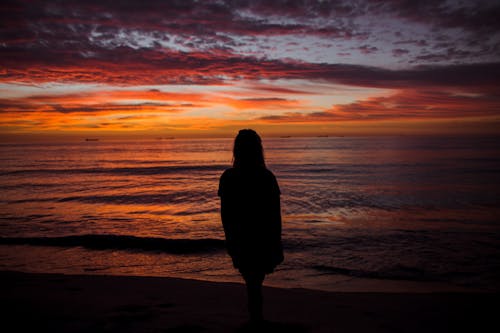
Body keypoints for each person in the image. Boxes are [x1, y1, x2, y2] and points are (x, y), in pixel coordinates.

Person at [218, 129, 284, 324]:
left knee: (252, 282)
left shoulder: (228, 177)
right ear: (258, 149)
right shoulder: (266, 177)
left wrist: (230, 239)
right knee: (254, 283)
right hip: (261, 238)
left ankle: (256, 318)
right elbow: (274, 215)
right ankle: (256, 319)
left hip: (240, 238)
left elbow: (226, 214)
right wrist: (276, 242)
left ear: (236, 150)